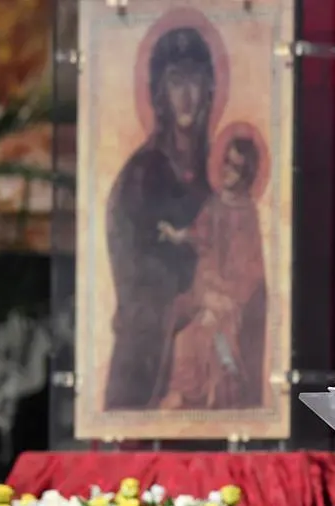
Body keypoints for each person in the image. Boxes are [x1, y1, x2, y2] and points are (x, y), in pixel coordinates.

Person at [103, 27, 215, 410]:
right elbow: (134, 267)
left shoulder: (222, 167)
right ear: (160, 94)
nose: (187, 95)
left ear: (209, 88)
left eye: (195, 80)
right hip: (153, 340)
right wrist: (181, 294)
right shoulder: (142, 174)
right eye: (175, 81)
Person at [153, 135, 267, 409]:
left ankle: (209, 391)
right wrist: (176, 235)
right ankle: (180, 391)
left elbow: (249, 267)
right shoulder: (215, 204)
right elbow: (198, 234)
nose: (228, 171)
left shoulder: (247, 212)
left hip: (232, 298)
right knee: (177, 320)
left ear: (247, 174)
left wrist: (224, 294)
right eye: (226, 162)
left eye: (237, 167)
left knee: (197, 335)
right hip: (205, 289)